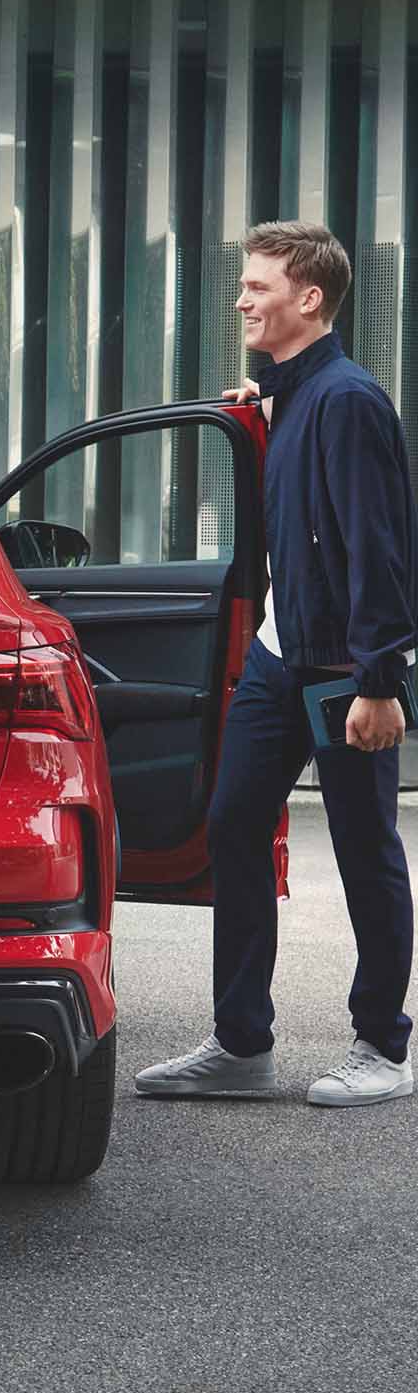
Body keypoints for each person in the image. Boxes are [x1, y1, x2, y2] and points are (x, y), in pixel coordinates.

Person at [136, 221, 416, 1107]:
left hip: (338, 668)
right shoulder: (295, 395)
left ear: (310, 298)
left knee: (367, 849)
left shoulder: (350, 402)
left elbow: (378, 549)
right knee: (229, 828)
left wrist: (380, 679)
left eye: (258, 286)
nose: (242, 299)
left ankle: (381, 1046)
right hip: (275, 659)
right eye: (244, 284)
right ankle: (241, 1046)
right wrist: (263, 406)